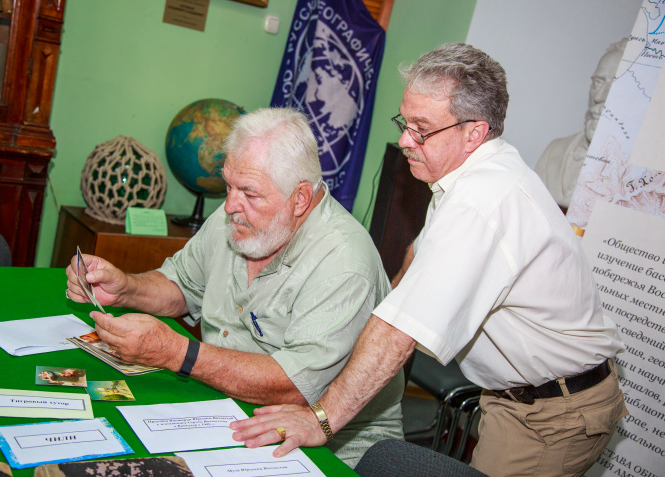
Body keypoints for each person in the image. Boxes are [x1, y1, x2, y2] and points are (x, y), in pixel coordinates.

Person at [230, 44, 628, 477]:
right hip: (516, 398)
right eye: (405, 121)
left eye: (421, 129)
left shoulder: (482, 201)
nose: (404, 140)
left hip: (554, 412)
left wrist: (319, 419)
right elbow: (417, 258)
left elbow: (399, 335)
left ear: (474, 132)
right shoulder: (462, 176)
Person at [65, 107, 403, 468]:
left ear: (300, 198)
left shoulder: (344, 263)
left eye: (249, 193)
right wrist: (125, 289)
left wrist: (177, 353)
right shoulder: (238, 213)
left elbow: (293, 386)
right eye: (228, 185)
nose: (229, 205)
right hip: (227, 406)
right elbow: (181, 284)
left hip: (328, 446)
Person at [535, 38, 627, 210]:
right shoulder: (555, 150)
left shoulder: (636, 176)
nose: (599, 96)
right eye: (598, 83)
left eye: (615, 85)